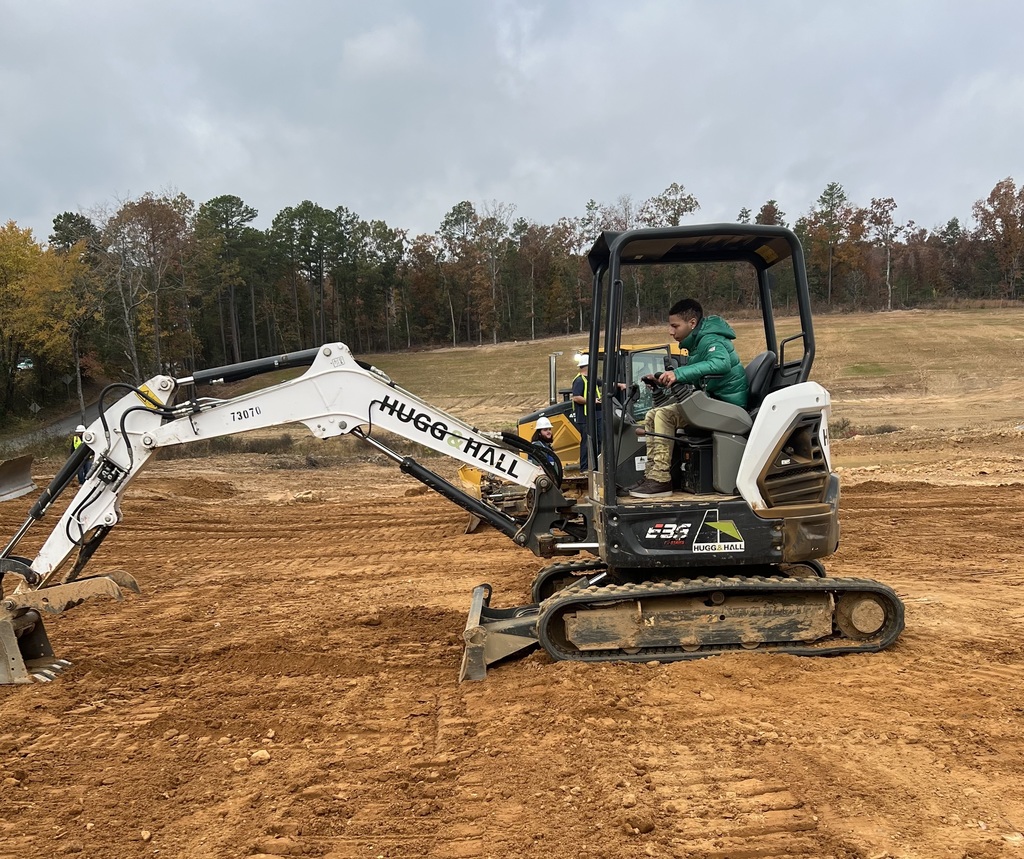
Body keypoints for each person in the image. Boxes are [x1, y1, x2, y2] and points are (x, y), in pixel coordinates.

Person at [629, 298, 749, 498]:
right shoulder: (696, 345)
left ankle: (661, 479)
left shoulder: (711, 340)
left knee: (664, 417)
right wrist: (662, 380)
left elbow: (721, 363)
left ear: (692, 323)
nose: (671, 331)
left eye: (675, 326)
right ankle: (653, 476)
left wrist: (679, 374)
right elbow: (697, 377)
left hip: (728, 406)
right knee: (652, 414)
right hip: (713, 402)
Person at [570, 355, 601, 471]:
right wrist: (592, 400)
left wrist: (619, 385)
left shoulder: (592, 379)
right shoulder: (579, 381)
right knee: (587, 442)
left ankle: (597, 465)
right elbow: (576, 397)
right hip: (585, 417)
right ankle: (585, 468)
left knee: (598, 440)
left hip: (595, 416)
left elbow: (604, 383)